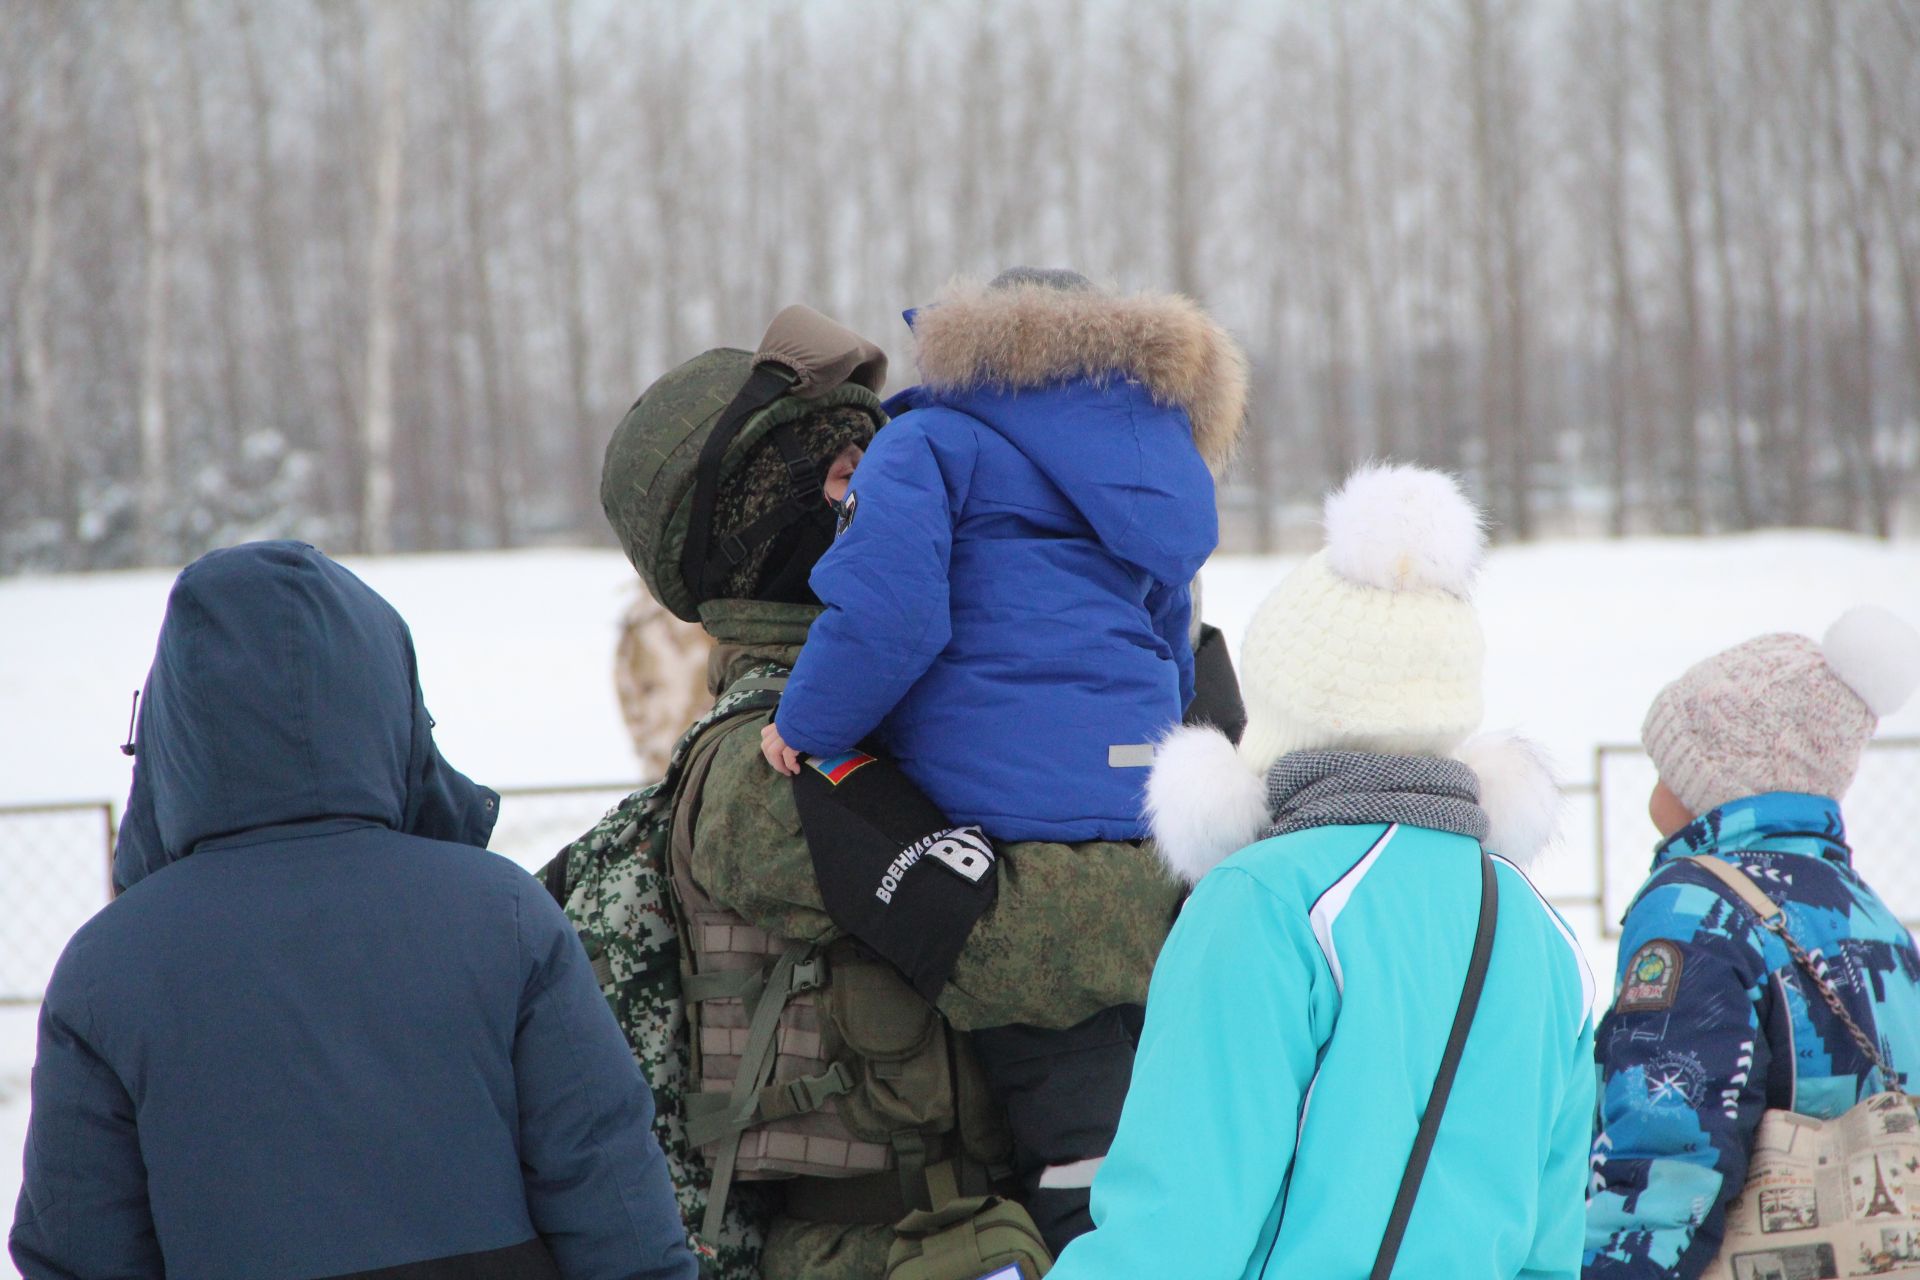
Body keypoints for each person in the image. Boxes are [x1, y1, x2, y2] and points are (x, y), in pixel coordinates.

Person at [558, 301, 1214, 1279]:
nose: (864, 479)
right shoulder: (761, 760)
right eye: (825, 469)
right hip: (886, 1245)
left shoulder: (980, 677)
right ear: (744, 527)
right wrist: (1223, 885)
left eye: (866, 453)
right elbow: (1023, 940)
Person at [9, 542, 695, 1280]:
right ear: (392, 705)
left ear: (172, 725)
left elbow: (79, 1256)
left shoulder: (108, 966)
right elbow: (617, 1214)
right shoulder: (504, 916)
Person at [757, 267, 1247, 1252]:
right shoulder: (1158, 467)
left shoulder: (932, 443)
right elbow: (1168, 639)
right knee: (1129, 1086)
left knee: (1076, 1159)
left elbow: (889, 612)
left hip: (1001, 832)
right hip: (1141, 813)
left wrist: (806, 725)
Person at [1049, 463, 1596, 1280]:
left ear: (1280, 708)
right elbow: (1549, 1248)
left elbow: (1173, 1231)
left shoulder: (1262, 901)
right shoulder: (1538, 928)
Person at [1584, 607, 1920, 1279]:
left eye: (1667, 764)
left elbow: (1668, 1149)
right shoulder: (1869, 912)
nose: (1655, 784)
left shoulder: (1695, 907)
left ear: (1711, 782)